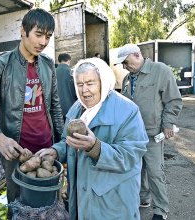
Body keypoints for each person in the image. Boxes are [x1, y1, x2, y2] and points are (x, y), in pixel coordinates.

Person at [0, 8, 64, 215]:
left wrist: (62, 145)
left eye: (48, 36)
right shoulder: (0, 65)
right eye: (38, 34)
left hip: (47, 149)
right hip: (16, 151)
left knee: (50, 205)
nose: (43, 42)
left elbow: (55, 107)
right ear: (22, 31)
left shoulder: (48, 65)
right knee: (18, 205)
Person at [36, 58, 149, 219]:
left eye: (90, 83)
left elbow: (131, 154)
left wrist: (95, 148)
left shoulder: (127, 110)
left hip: (112, 200)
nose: (84, 90)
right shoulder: (77, 108)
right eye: (80, 84)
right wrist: (56, 151)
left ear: (103, 82)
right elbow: (67, 141)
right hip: (82, 197)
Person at [116, 44, 183, 220]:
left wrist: (168, 124)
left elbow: (174, 100)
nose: (124, 66)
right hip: (133, 135)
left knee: (155, 173)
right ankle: (143, 199)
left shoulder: (160, 70)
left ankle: (161, 210)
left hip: (153, 134)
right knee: (138, 169)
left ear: (137, 55)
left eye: (125, 62)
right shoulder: (127, 79)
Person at [56, 53, 77, 120]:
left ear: (58, 61)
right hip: (71, 107)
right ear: (68, 61)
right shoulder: (72, 73)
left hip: (56, 108)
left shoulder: (52, 72)